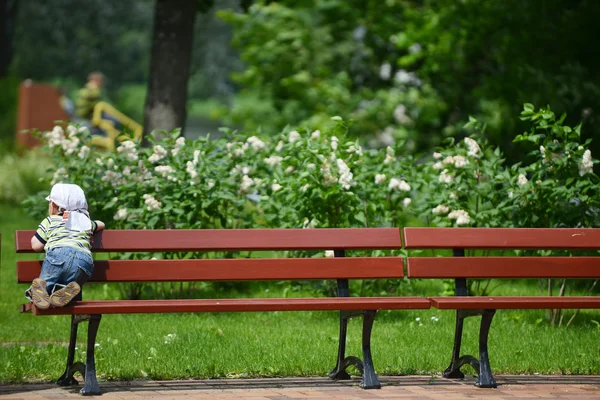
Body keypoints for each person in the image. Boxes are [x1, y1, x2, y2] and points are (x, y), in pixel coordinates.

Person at [25, 183, 105, 309]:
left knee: (48, 280)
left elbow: (36, 245)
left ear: (53, 205)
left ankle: (41, 290)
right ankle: (64, 293)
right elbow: (101, 224)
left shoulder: (50, 221)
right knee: (73, 279)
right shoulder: (86, 223)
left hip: (58, 255)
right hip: (84, 262)